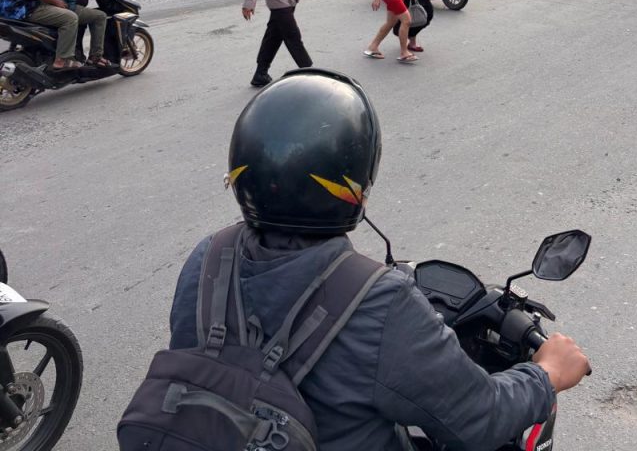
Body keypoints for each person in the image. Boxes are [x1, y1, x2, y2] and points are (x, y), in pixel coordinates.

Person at [168, 71, 590, 451]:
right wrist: (547, 373)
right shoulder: (380, 303)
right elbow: (480, 418)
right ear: (356, 179)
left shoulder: (207, 260)